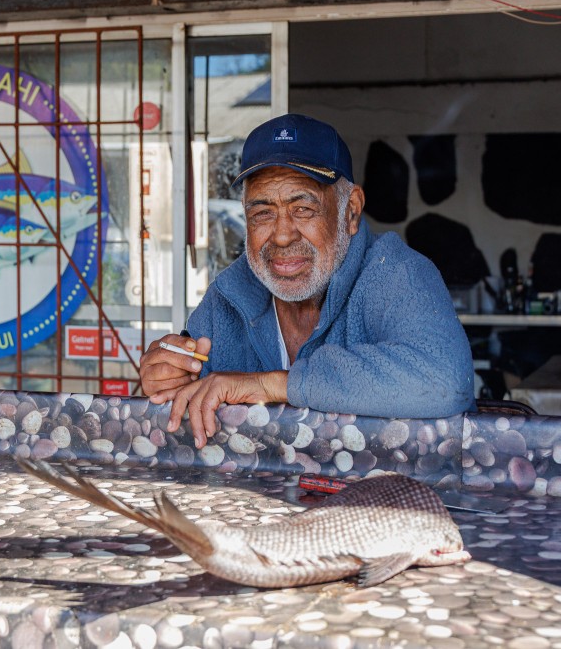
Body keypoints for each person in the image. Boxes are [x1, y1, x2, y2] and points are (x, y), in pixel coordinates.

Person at [139, 114, 474, 448]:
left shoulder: (397, 274)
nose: (282, 235)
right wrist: (168, 375)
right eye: (262, 213)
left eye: (303, 209)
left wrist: (271, 385)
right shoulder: (229, 294)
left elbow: (445, 381)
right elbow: (187, 392)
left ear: (351, 211)